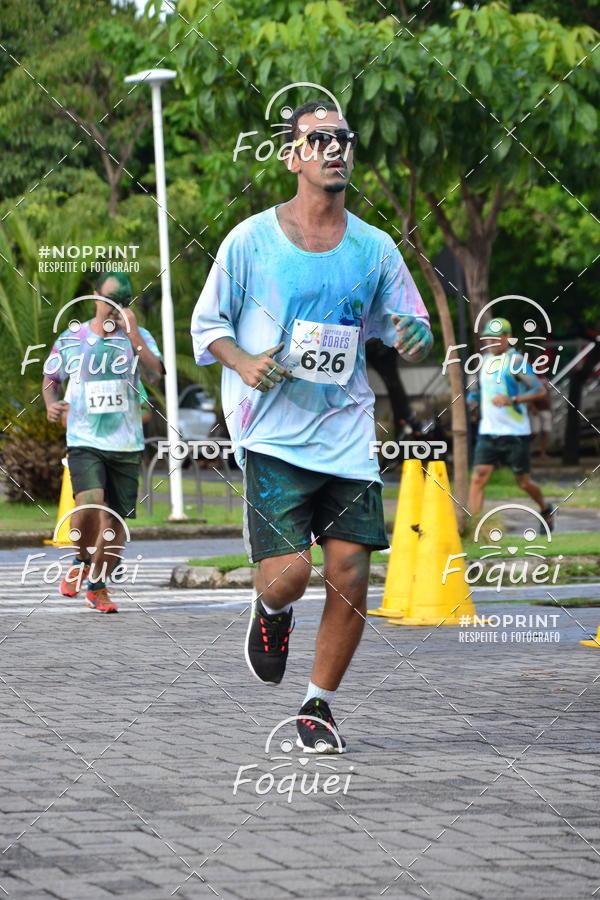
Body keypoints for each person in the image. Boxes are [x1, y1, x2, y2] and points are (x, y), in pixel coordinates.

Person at [191, 100, 432, 752]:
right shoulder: (250, 241)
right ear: (292, 157)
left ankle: (316, 706)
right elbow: (207, 326)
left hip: (347, 433)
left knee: (350, 572)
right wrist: (243, 362)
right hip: (271, 432)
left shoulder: (374, 248)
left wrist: (413, 333)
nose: (334, 149)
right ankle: (271, 610)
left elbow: (408, 322)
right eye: (318, 139)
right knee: (290, 575)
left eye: (343, 139)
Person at [43, 271, 162, 613]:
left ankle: (97, 586)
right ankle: (81, 559)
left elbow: (155, 373)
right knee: (90, 503)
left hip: (126, 443)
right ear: (95, 296)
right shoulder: (73, 337)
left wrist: (134, 334)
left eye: (123, 302)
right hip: (84, 438)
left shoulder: (138, 338)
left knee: (116, 521)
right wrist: (52, 405)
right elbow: (51, 377)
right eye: (110, 301)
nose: (115, 308)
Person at [467, 317, 556, 529]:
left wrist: (512, 400)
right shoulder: (485, 361)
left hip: (515, 433)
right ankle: (474, 526)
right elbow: (485, 390)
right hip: (488, 431)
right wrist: (472, 400)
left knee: (523, 482)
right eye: (487, 338)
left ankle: (545, 508)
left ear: (507, 337)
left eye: (496, 338)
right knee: (478, 477)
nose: (490, 342)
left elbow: (539, 390)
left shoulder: (515, 361)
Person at [529, 375, 553, 461]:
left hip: (545, 409)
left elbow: (548, 396)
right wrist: (532, 406)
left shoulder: (547, 381)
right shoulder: (532, 380)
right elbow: (529, 393)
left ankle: (543, 453)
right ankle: (525, 448)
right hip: (536, 409)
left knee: (545, 431)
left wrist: (550, 410)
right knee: (535, 431)